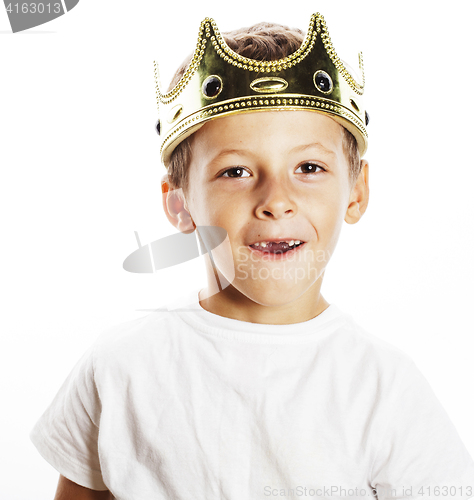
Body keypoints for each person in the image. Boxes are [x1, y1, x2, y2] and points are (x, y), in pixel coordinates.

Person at [31, 13, 474, 500]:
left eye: (308, 167)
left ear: (356, 193)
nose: (275, 199)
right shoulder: (120, 368)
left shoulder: (385, 389)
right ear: (179, 205)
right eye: (237, 171)